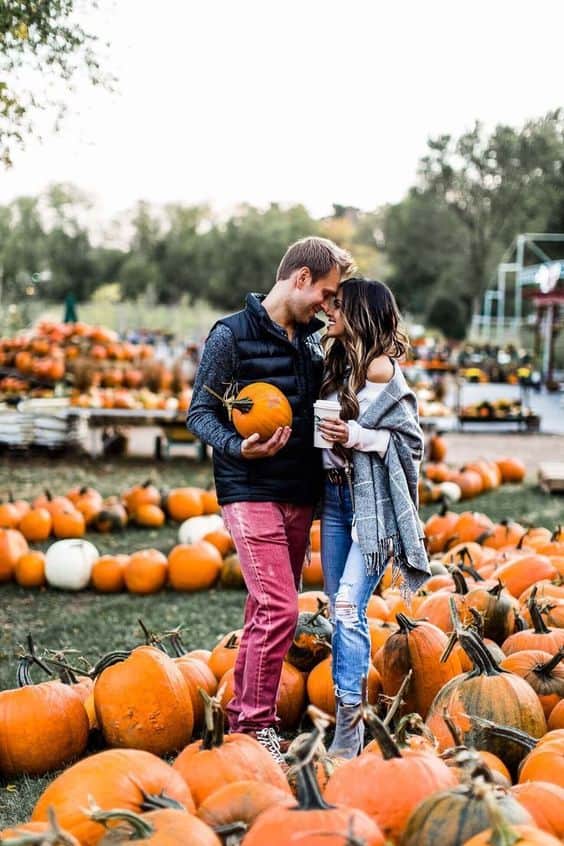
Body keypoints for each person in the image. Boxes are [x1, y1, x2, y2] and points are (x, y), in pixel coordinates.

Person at [187, 236, 354, 763]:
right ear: (300, 278)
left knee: (265, 606)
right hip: (249, 488)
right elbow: (198, 412)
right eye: (326, 293)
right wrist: (239, 445)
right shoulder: (229, 336)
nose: (328, 305)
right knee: (282, 608)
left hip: (299, 492)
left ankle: (242, 723)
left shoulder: (313, 339)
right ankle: (254, 724)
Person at [316, 278, 430, 758]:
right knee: (337, 605)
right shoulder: (341, 363)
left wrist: (354, 436)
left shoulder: (384, 373)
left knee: (346, 608)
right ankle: (349, 717)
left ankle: (349, 729)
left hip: (370, 511)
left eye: (338, 306)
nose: (329, 311)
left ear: (359, 314)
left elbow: (408, 447)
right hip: (335, 500)